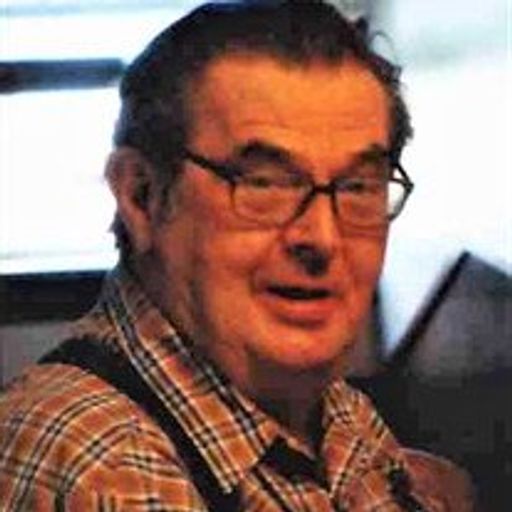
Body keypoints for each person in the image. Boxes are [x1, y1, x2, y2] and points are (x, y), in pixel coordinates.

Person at [0, 1, 474, 510]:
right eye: (264, 183)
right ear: (141, 196)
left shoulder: (325, 406)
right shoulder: (112, 472)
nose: (323, 237)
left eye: (358, 186)